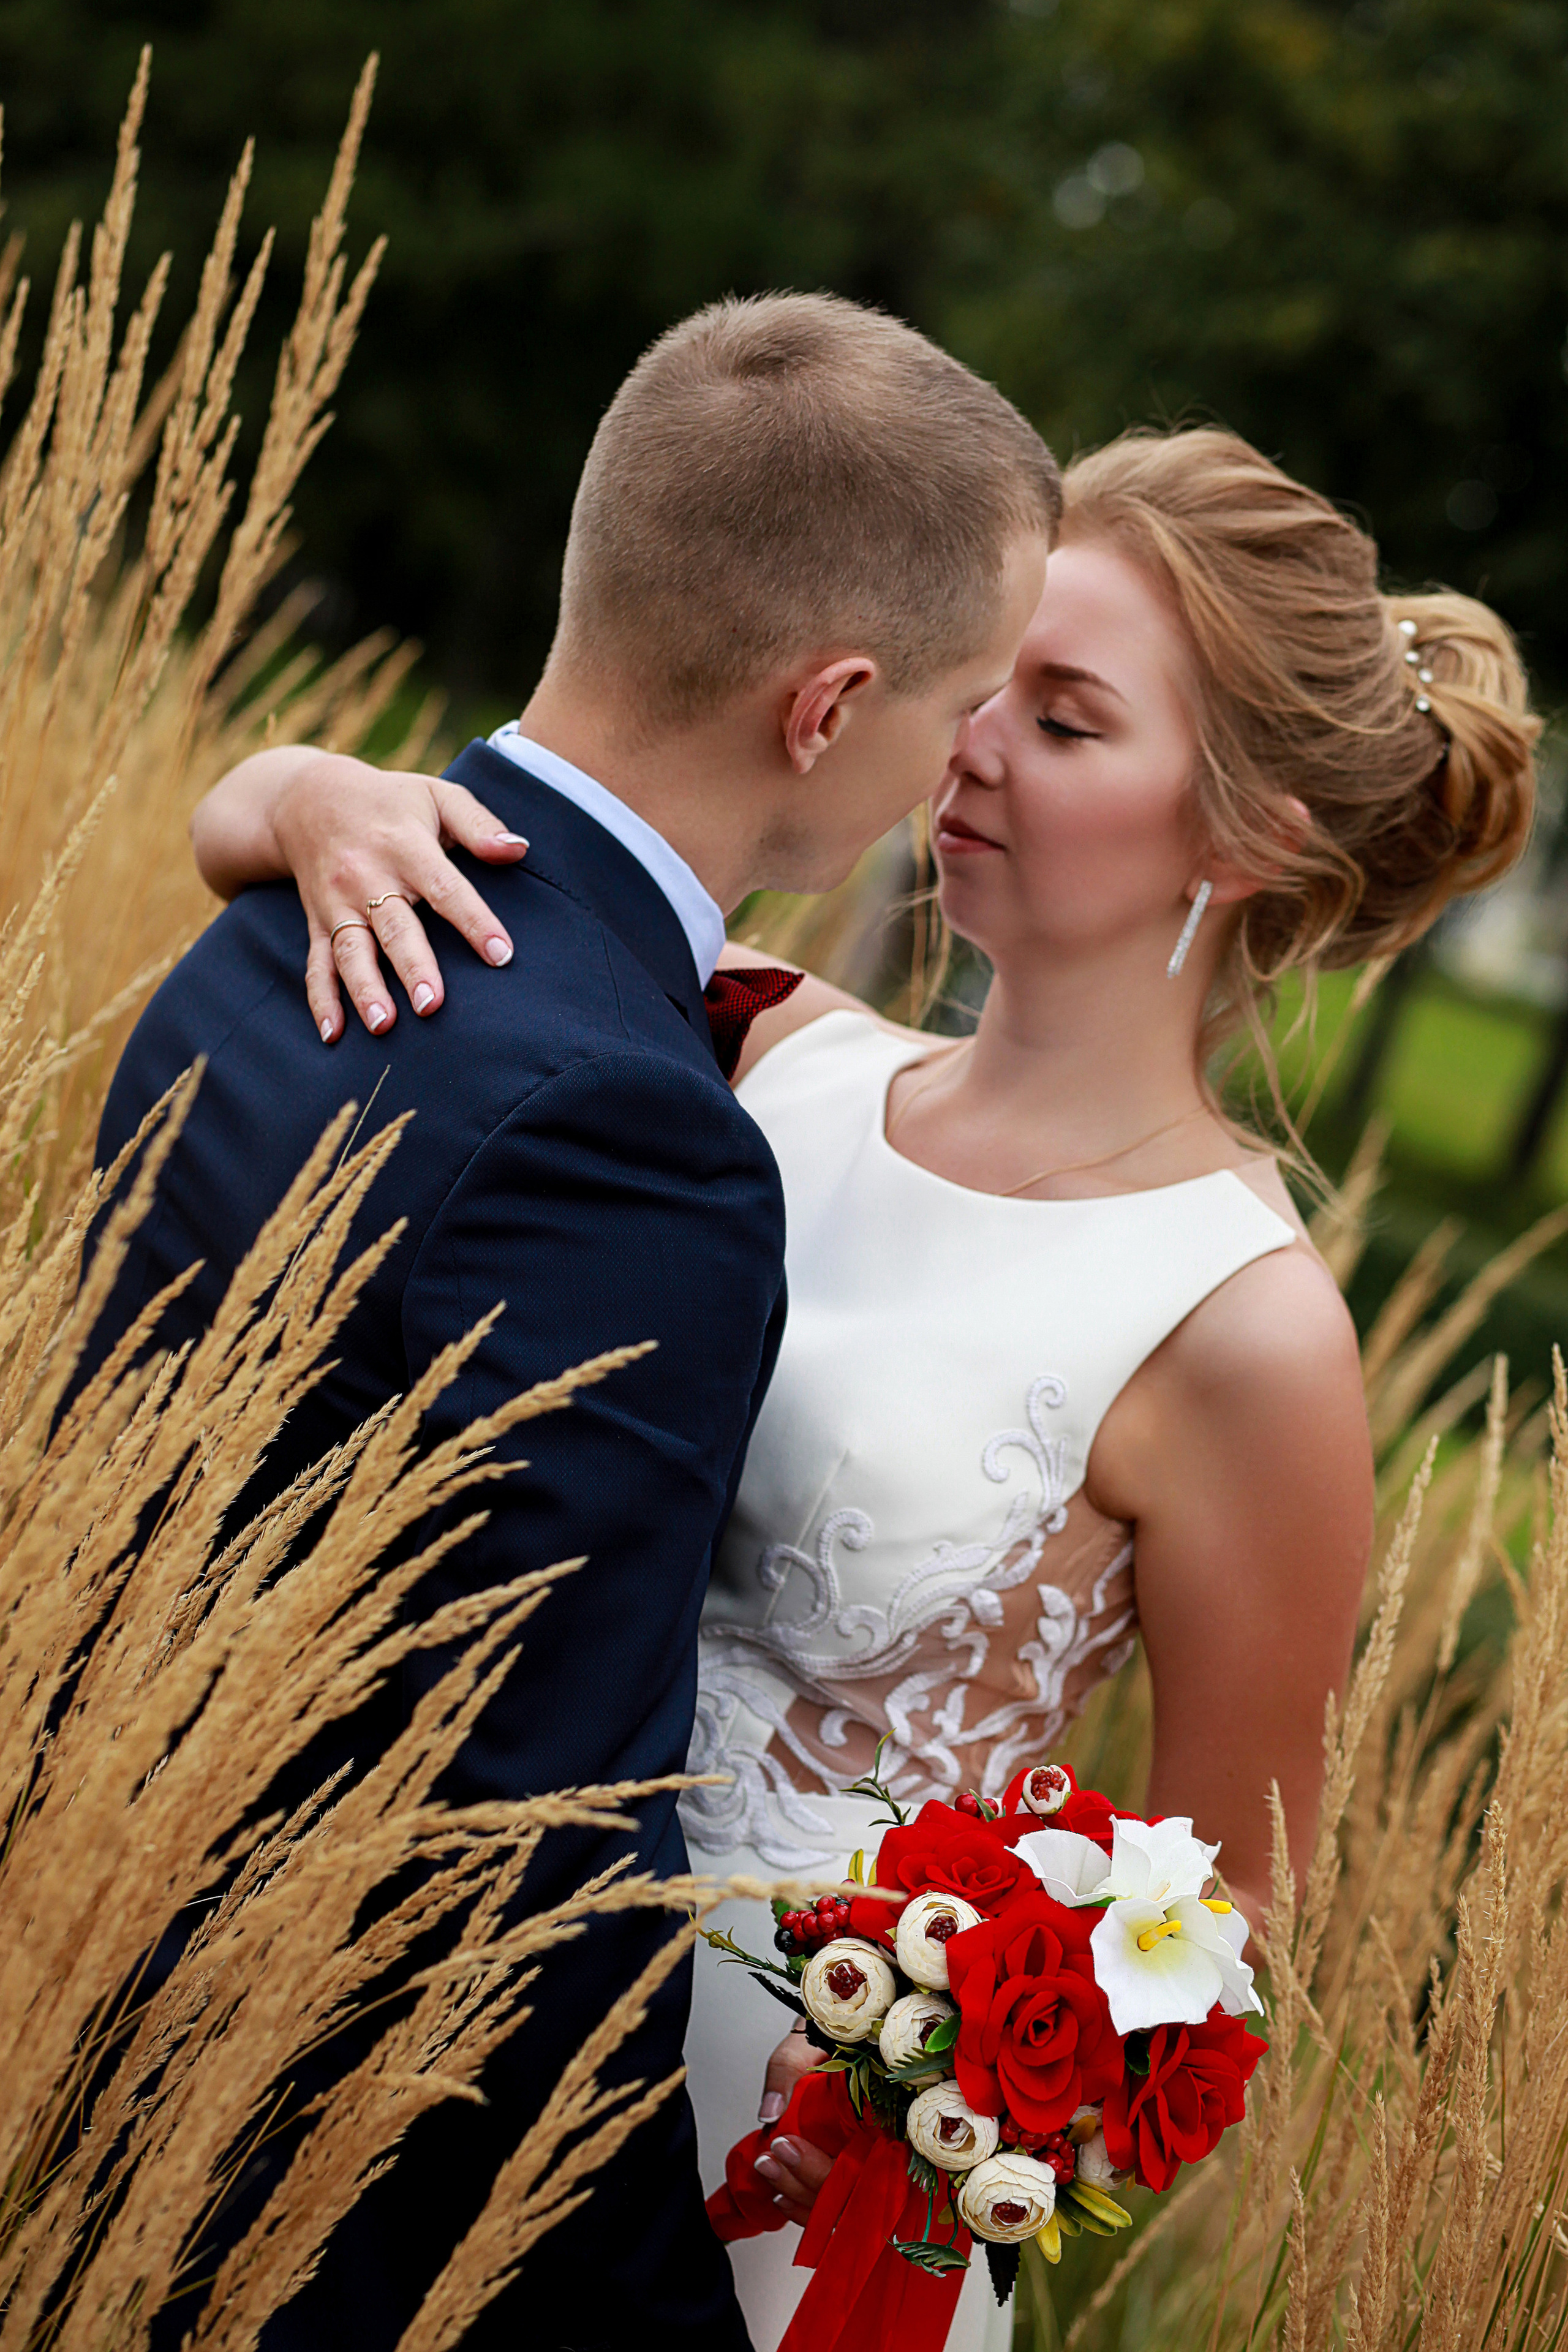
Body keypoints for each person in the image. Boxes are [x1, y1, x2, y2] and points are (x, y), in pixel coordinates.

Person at [189, 424, 1539, 2352]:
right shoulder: (761, 1053)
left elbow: (1233, 1915)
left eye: (1065, 723)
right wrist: (324, 798)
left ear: (1255, 839)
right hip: (427, 2021)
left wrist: (944, 2130)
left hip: (793, 2186)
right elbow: (299, 839)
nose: (972, 746)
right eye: (987, 689)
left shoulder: (1242, 1326)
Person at [80, 291, 1058, 2352]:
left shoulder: (274, 926)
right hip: (287, 2210)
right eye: (963, 699)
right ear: (829, 706)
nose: (965, 757)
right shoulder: (631, 1134)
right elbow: (525, 1870)